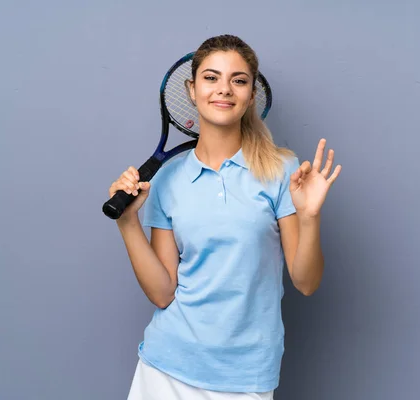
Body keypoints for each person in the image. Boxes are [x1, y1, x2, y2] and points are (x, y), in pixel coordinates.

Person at [108, 34, 342, 400]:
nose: (224, 89)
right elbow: (162, 292)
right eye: (211, 77)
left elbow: (306, 282)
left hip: (245, 376)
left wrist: (310, 216)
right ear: (192, 88)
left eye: (239, 80)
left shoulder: (282, 170)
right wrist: (128, 224)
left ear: (251, 95)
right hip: (166, 367)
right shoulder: (167, 178)